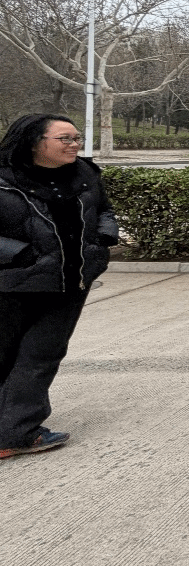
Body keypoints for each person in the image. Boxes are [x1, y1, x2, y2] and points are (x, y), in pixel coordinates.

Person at [0, 114, 117, 460]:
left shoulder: (85, 174)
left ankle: (16, 432)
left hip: (70, 282)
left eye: (77, 138)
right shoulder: (4, 179)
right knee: (5, 354)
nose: (74, 144)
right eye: (65, 139)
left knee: (41, 356)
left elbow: (104, 210)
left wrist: (104, 238)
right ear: (34, 142)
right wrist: (18, 255)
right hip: (12, 283)